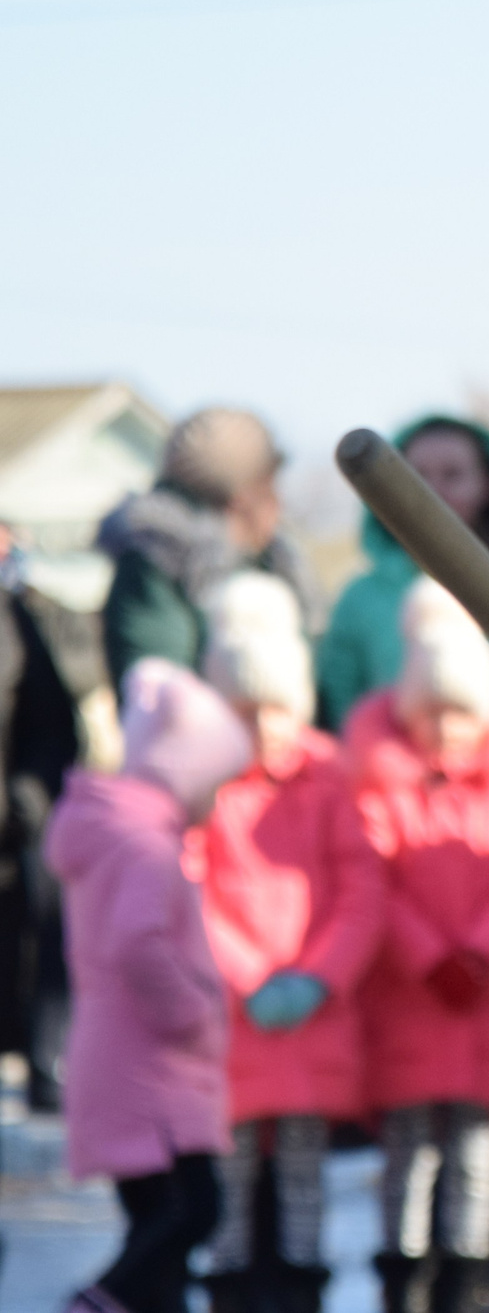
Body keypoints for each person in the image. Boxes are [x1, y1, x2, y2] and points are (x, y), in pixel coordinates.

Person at [347, 581, 489, 1313]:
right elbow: (374, 881)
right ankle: (404, 1280)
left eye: (462, 714)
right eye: (433, 713)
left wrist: (482, 953)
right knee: (409, 1155)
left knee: (476, 1154)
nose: (449, 730)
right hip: (410, 999)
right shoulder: (379, 789)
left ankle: (468, 1281)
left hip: (485, 1000)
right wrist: (429, 956)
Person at [318, 416, 489, 927]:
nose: (435, 490)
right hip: (399, 849)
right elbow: (344, 712)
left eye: (454, 474)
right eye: (418, 474)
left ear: (488, 483)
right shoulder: (362, 598)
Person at [196, 573, 386, 1313]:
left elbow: (361, 889)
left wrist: (318, 976)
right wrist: (243, 977)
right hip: (234, 1015)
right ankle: (231, 1285)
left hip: (313, 1009)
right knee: (231, 1170)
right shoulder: (207, 786)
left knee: (305, 1169)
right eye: (247, 708)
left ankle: (303, 1286)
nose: (265, 724)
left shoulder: (330, 778)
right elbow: (193, 890)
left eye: (278, 705)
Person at [50, 661, 253, 1313]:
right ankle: (95, 1302)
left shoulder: (117, 834)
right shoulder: (145, 847)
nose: (216, 799)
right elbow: (137, 943)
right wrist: (194, 1015)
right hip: (150, 1068)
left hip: (123, 1063)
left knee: (159, 1224)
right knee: (193, 1209)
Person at [98, 406, 312, 696]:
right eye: (269, 487)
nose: (279, 504)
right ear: (242, 498)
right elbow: (160, 699)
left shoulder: (272, 561)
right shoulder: (157, 557)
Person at [0, 524, 80, 1105]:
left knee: (35, 947)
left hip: (13, 830)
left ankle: (43, 1063)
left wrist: (27, 796)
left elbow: (52, 721)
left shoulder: (18, 620)